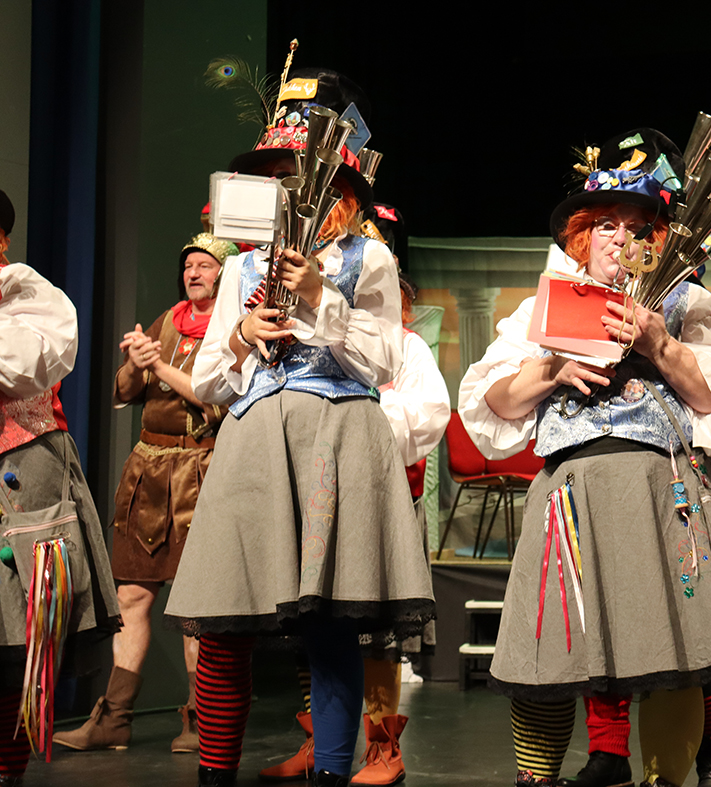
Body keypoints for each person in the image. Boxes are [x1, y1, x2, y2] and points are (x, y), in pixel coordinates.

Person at [458, 128, 711, 787]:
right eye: (604, 225)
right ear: (582, 237)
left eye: (637, 227)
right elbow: (489, 402)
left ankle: (666, 778)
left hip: (658, 493)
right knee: (549, 651)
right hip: (569, 499)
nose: (619, 239)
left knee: (669, 654)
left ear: (660, 238)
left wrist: (660, 344)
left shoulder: (688, 303)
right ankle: (540, 779)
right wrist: (551, 368)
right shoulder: (543, 309)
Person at [162, 67, 434, 787]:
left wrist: (320, 296)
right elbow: (211, 380)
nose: (289, 189)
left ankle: (333, 774)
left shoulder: (368, 258)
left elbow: (381, 362)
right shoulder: (240, 269)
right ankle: (214, 773)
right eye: (276, 177)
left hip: (334, 442)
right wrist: (242, 334)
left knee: (329, 620)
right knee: (225, 617)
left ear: (340, 187)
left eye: (301, 175)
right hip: (254, 443)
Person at [260, 275, 449, 787]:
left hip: (380, 497)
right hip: (319, 498)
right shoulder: (311, 344)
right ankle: (322, 738)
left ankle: (383, 746)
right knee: (312, 614)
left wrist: (361, 426)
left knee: (376, 625)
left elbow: (429, 416)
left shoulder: (405, 348)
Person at [54, 232, 237, 754]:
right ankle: (114, 718)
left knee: (193, 606)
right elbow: (125, 390)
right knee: (131, 595)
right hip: (149, 475)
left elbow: (215, 401)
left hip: (200, 473)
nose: (193, 273)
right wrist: (136, 363)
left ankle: (200, 719)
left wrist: (157, 366)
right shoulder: (168, 320)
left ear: (224, 275)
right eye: (189, 266)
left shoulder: (231, 332)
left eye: (204, 266)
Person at [0, 187, 121, 784]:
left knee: (16, 638)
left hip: (18, 472)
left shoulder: (25, 292)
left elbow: (25, 367)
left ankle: (7, 770)